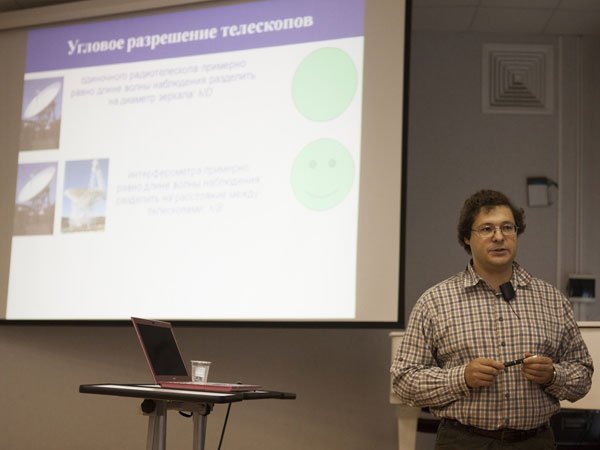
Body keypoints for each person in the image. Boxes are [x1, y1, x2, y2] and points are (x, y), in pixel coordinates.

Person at [390, 189, 593, 449]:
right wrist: (462, 378)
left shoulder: (552, 300)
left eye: (507, 227)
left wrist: (553, 375)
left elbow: (583, 374)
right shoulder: (434, 302)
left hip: (535, 441)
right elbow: (404, 381)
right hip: (463, 441)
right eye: (486, 229)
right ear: (467, 237)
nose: (499, 237)